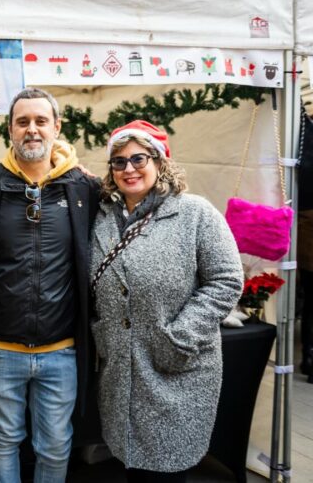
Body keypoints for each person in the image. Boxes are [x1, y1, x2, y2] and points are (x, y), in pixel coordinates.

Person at [89, 120, 243, 482]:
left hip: (176, 372)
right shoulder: (102, 218)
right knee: (132, 467)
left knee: (166, 470)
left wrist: (180, 337)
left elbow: (226, 280)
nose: (129, 169)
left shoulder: (195, 213)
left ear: (160, 162)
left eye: (139, 159)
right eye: (119, 161)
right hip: (122, 372)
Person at [0, 87, 99, 483]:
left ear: (57, 127)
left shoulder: (83, 189)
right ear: (10, 129)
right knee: (3, 439)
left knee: (55, 446)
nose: (32, 130)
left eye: (41, 121)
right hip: (0, 351)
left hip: (62, 352)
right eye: (23, 122)